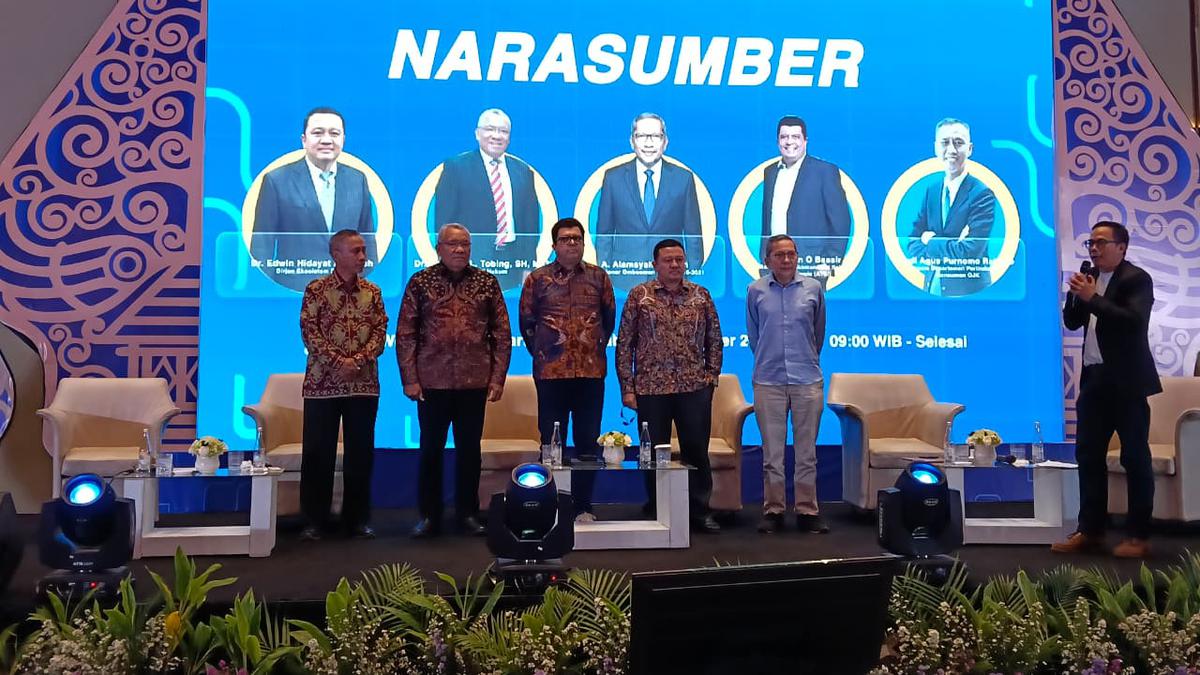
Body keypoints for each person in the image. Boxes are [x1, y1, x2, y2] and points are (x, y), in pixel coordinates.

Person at [1052, 221, 1161, 559]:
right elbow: (1073, 322)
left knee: (1135, 457)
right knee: (1088, 455)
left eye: (1101, 242)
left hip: (1127, 382)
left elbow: (1132, 321)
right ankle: (1090, 531)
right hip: (1095, 380)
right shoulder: (1091, 278)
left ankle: (1138, 535)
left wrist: (1093, 298)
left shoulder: (1136, 279)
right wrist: (1076, 296)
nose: (1094, 248)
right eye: (1091, 243)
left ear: (1122, 247)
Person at [396, 224, 512, 538]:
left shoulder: (487, 282)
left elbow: (502, 334)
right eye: (452, 244)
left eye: (465, 244)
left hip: (474, 381)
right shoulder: (421, 282)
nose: (459, 250)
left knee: (469, 452)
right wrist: (410, 379)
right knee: (430, 451)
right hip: (431, 382)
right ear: (439, 248)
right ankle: (429, 516)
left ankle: (467, 514)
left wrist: (497, 378)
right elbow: (406, 334)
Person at [616, 238, 722, 533]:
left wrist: (711, 378)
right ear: (655, 264)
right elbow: (625, 344)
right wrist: (627, 387)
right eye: (668, 260)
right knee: (653, 453)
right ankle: (657, 508)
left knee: (696, 450)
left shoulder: (700, 295)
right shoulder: (640, 296)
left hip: (693, 388)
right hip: (651, 389)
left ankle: (699, 511)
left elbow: (714, 339)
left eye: (679, 260)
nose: (675, 265)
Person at [518, 217, 616, 522]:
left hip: (590, 374)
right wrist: (548, 353)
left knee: (588, 443)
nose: (572, 243)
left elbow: (608, 321)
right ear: (554, 245)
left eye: (577, 238)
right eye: (565, 239)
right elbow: (527, 324)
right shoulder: (538, 279)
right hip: (551, 374)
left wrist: (589, 349)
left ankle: (583, 505)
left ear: (584, 243)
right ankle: (551, 506)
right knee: (551, 443)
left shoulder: (599, 277)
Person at [298, 229, 388, 541]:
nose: (363, 257)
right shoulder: (316, 290)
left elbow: (380, 333)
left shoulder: (373, 292)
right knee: (317, 453)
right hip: (322, 384)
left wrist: (358, 361)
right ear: (336, 254)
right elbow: (309, 332)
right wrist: (339, 362)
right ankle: (314, 521)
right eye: (356, 251)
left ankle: (357, 520)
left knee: (360, 454)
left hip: (363, 385)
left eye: (363, 250)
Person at [747, 234, 829, 535]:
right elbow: (755, 335)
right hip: (768, 380)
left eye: (791, 254)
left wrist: (806, 358)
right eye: (779, 255)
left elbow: (818, 333)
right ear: (767, 260)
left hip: (807, 379)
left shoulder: (814, 288)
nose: (786, 259)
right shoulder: (755, 290)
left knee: (807, 453)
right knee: (772, 455)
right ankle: (774, 510)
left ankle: (807, 511)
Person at [251, 107, 377, 291]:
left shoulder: (357, 180)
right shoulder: (276, 180)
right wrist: (267, 292)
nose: (326, 140)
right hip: (293, 291)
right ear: (304, 140)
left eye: (334, 133)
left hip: (349, 294)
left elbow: (368, 242)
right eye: (318, 133)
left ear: (343, 139)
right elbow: (262, 246)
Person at [434, 108, 540, 267]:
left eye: (503, 131)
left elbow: (530, 224)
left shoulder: (523, 172)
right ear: (477, 134)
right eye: (490, 129)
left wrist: (528, 265)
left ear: (509, 138)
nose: (497, 136)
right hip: (468, 258)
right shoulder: (456, 168)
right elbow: (444, 220)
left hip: (513, 259)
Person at [596, 113, 702, 271]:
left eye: (655, 136)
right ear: (632, 141)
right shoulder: (613, 178)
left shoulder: (683, 179)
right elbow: (604, 235)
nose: (648, 143)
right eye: (641, 136)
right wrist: (605, 274)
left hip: (671, 277)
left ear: (665, 142)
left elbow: (694, 237)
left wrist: (692, 276)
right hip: (625, 275)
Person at [905, 118, 996, 297]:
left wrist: (929, 240)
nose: (951, 150)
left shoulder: (982, 194)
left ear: (970, 149)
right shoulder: (932, 191)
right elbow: (912, 242)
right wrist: (953, 245)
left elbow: (969, 253)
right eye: (945, 142)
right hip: (931, 289)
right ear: (936, 148)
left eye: (958, 142)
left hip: (969, 294)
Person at [760, 116, 851, 281]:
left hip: (811, 266)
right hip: (773, 267)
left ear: (805, 141)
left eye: (795, 137)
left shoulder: (824, 171)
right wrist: (764, 257)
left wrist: (829, 261)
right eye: (784, 137)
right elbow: (767, 220)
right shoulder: (770, 172)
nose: (789, 142)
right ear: (777, 141)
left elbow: (840, 222)